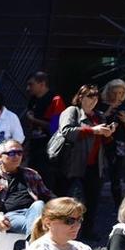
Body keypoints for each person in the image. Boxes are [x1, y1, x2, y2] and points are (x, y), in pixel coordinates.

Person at [50, 84, 117, 228]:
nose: (93, 100)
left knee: (92, 200)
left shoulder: (99, 116)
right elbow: (67, 131)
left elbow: (104, 140)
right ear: (80, 97)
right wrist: (93, 130)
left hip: (94, 164)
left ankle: (87, 230)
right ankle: (56, 227)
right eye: (90, 96)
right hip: (72, 162)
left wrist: (108, 134)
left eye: (96, 97)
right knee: (62, 197)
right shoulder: (72, 111)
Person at [0, 140, 53, 238]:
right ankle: (36, 243)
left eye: (19, 153)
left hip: (34, 211)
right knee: (41, 225)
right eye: (12, 153)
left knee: (39, 205)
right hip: (9, 216)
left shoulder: (31, 174)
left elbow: (47, 195)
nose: (17, 156)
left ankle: (33, 242)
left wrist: (64, 208)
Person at [96, 78, 125, 200]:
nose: (117, 95)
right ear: (109, 92)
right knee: (98, 171)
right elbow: (96, 120)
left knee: (116, 173)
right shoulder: (100, 105)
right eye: (114, 92)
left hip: (119, 143)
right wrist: (108, 111)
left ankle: (118, 203)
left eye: (120, 92)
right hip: (101, 142)